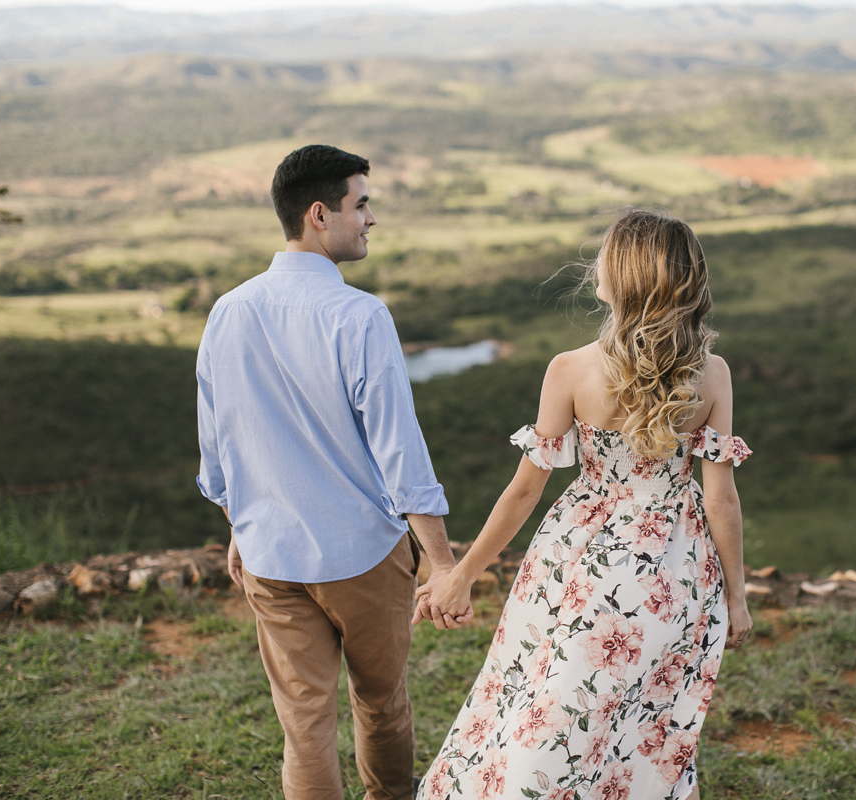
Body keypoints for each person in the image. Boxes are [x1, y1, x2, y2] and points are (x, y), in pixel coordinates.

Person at [414, 209, 753, 800]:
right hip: (676, 570)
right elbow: (720, 499)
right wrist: (736, 598)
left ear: (618, 278)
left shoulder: (569, 370)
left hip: (581, 563)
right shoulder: (712, 374)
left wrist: (463, 575)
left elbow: (524, 491)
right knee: (647, 726)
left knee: (546, 715)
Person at [196, 144, 471, 800]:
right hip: (361, 558)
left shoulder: (228, 311)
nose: (370, 219)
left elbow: (218, 448)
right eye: (361, 204)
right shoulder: (360, 317)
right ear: (320, 214)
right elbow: (401, 453)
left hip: (270, 556)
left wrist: (243, 525)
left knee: (304, 722)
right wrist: (441, 562)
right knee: (381, 705)